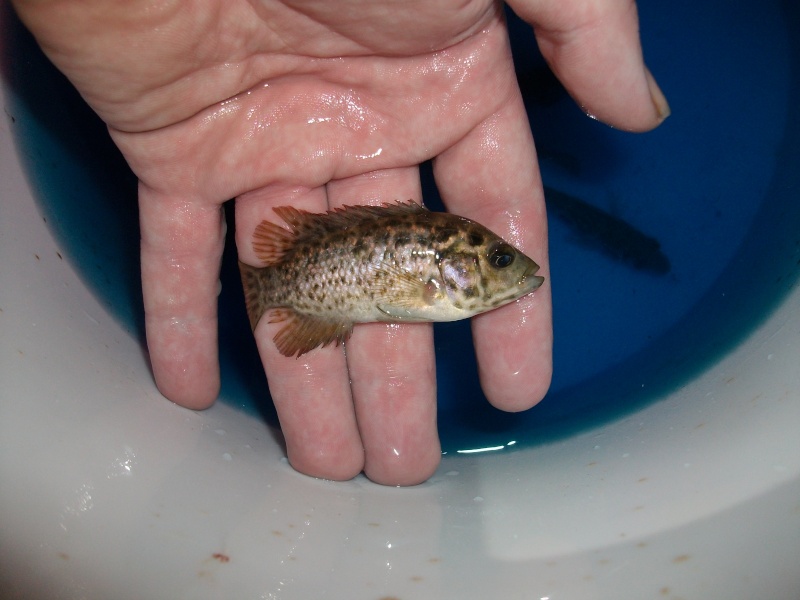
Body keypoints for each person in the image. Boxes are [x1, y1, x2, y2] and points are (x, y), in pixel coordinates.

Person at [11, 0, 669, 486]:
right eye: (498, 257)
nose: (511, 264)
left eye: (499, 257)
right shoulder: (435, 279)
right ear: (453, 271)